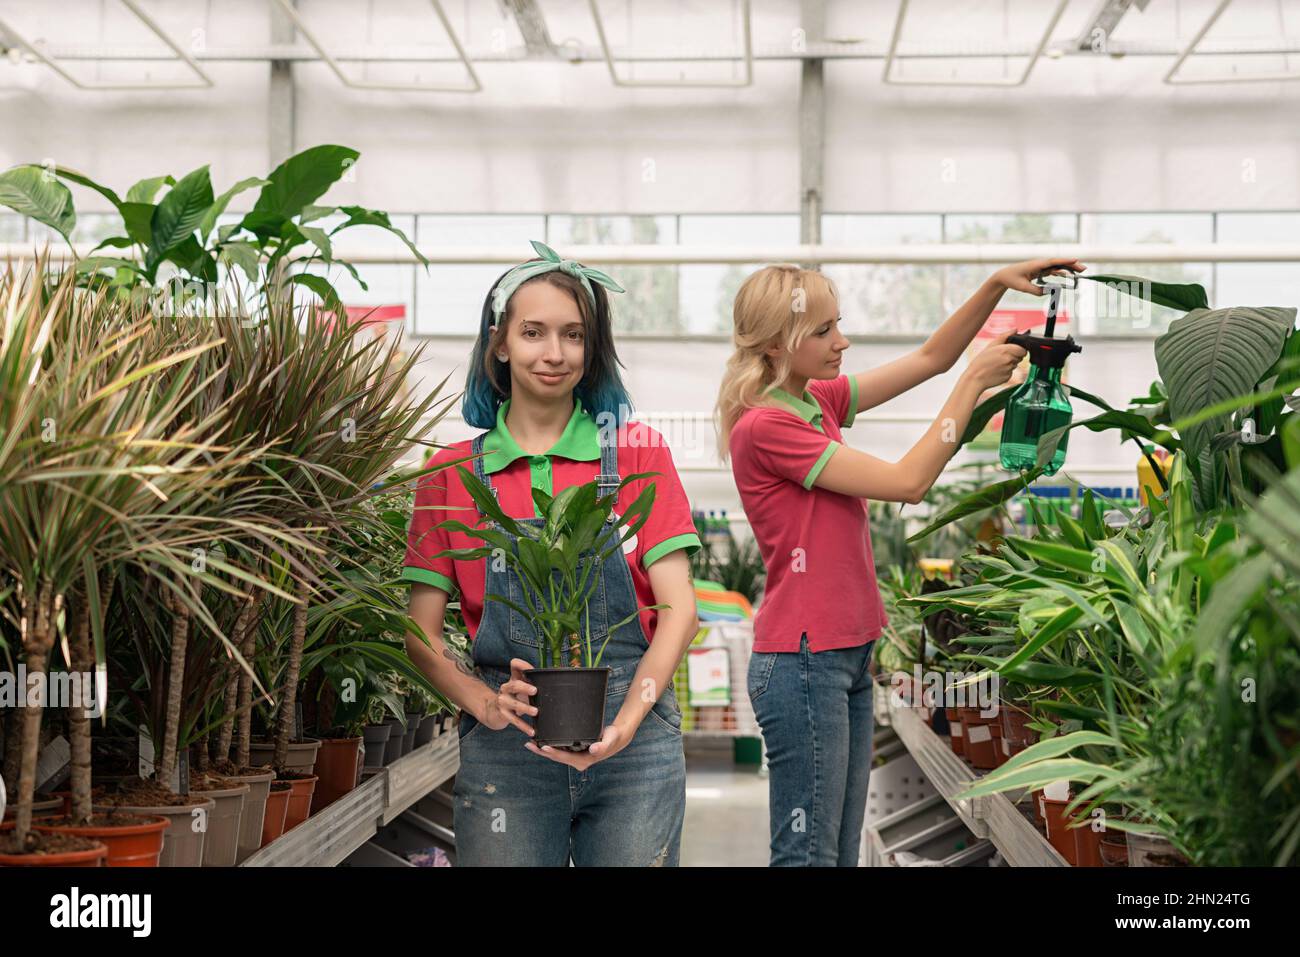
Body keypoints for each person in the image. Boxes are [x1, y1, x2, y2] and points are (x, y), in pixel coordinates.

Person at [716, 256, 1085, 866]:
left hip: (844, 653)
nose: (843, 341)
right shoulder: (766, 426)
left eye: (840, 324)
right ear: (781, 342)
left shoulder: (815, 401)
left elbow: (928, 359)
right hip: (804, 662)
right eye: (824, 331)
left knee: (835, 853)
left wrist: (994, 283)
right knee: (808, 855)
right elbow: (909, 482)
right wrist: (972, 387)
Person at [402, 241, 702, 866]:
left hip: (635, 745)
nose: (555, 353)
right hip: (506, 747)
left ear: (591, 351)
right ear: (500, 343)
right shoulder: (451, 474)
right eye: (534, 332)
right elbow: (419, 632)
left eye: (573, 335)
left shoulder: (638, 455)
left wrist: (627, 721)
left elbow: (680, 610)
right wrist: (483, 703)